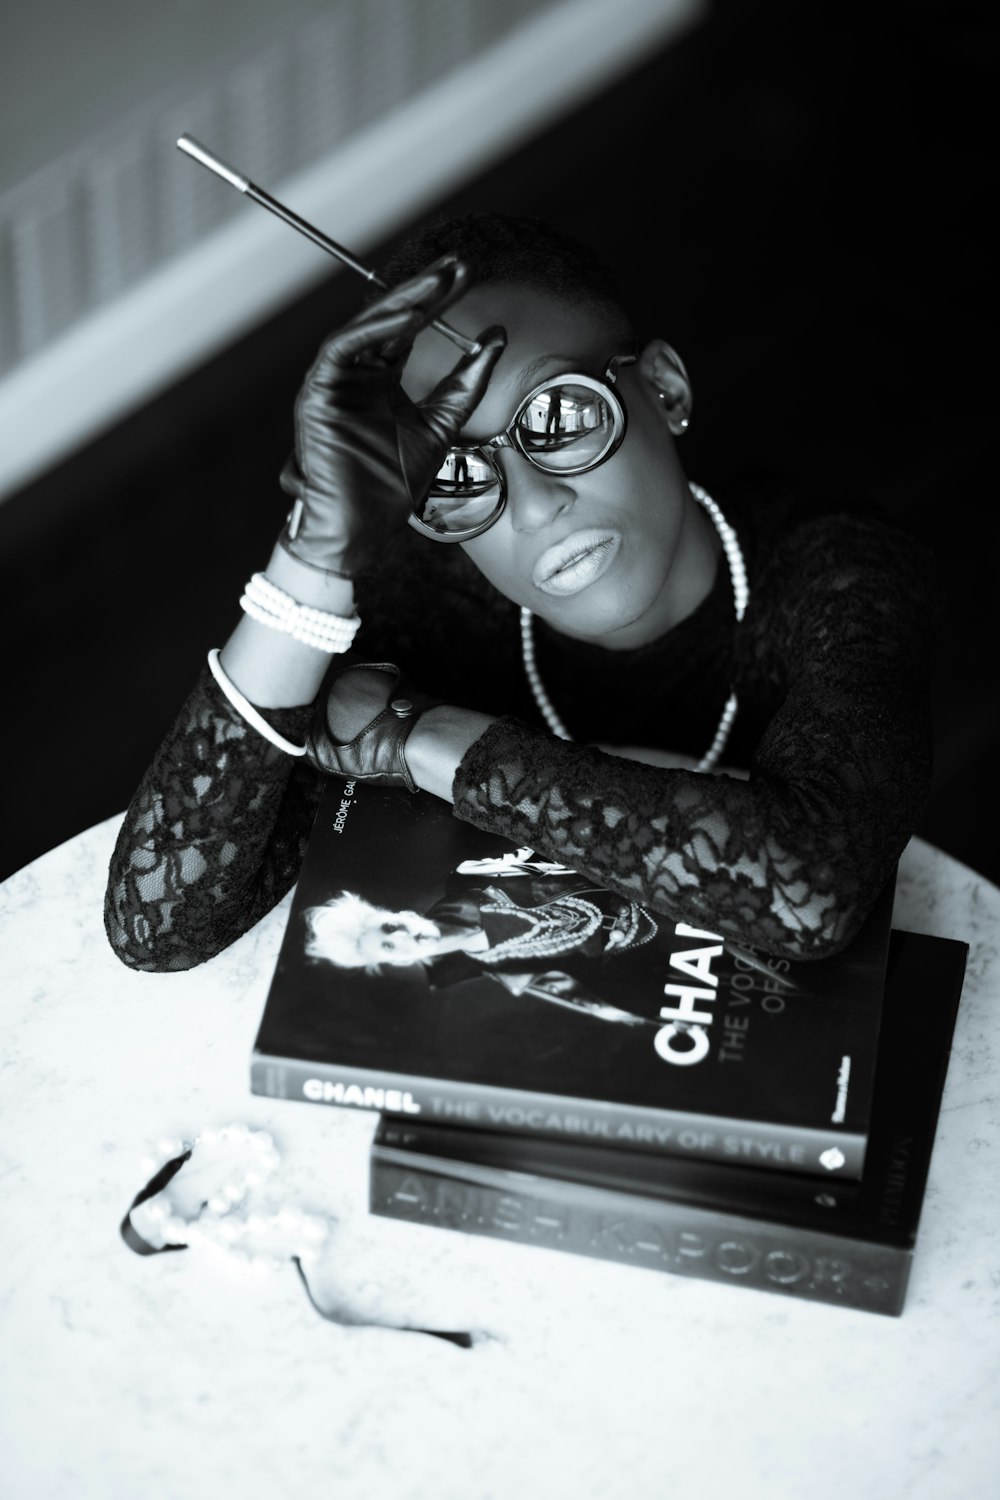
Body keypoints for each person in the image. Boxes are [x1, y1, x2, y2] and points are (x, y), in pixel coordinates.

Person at [104, 213, 937, 974]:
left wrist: (422, 738)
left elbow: (806, 892)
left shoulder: (839, 572)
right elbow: (159, 921)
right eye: (457, 470)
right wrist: (314, 549)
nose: (535, 505)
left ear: (664, 391)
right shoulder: (422, 599)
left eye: (562, 417)